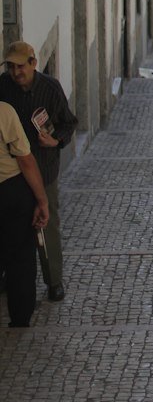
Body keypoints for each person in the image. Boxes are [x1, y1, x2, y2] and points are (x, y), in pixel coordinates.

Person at [0, 41, 78, 303]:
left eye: (20, 66)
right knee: (11, 226)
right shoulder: (3, 87)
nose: (15, 72)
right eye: (11, 67)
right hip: (12, 172)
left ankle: (54, 280)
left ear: (33, 63)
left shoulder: (50, 88)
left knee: (47, 224)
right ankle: (9, 277)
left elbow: (69, 122)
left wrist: (56, 142)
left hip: (43, 168)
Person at [0, 100, 49, 327]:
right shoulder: (4, 111)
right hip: (9, 190)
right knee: (20, 257)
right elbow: (26, 161)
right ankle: (20, 317)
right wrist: (42, 199)